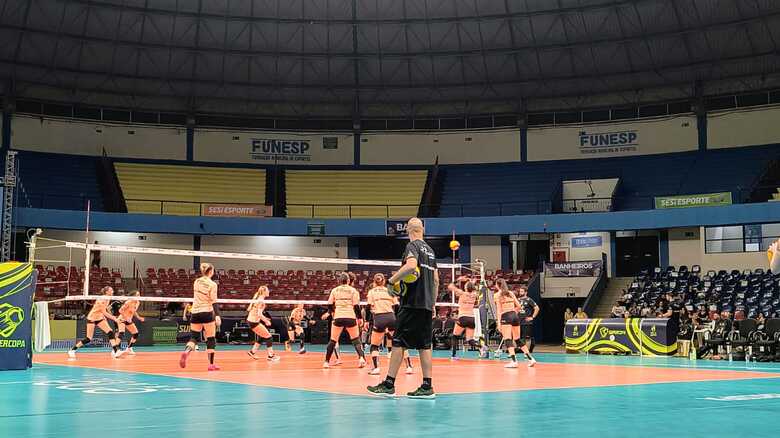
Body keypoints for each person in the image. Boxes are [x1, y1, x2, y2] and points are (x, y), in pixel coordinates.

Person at [367, 217, 439, 398]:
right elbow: (436, 280)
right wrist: (432, 303)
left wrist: (392, 281)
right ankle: (427, 386)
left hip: (412, 303)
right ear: (422, 230)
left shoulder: (412, 246)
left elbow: (411, 265)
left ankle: (389, 384)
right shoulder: (431, 252)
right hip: (426, 304)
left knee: (398, 342)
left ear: (408, 230)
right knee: (425, 345)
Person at [366, 274, 413, 375]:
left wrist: (366, 321)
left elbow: (368, 307)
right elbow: (397, 306)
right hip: (391, 317)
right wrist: (398, 320)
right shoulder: (390, 290)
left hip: (379, 318)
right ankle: (409, 366)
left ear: (374, 281)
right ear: (384, 281)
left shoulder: (371, 292)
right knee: (400, 343)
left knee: (374, 346)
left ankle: (376, 368)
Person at [179, 263, 221, 371]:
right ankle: (211, 364)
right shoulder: (213, 284)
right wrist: (217, 315)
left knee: (194, 337)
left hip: (195, 312)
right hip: (207, 312)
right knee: (211, 338)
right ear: (211, 272)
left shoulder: (196, 281)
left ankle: (186, 351)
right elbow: (214, 301)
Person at [323, 272, 366, 368]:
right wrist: (360, 318)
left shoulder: (335, 290)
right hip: (350, 317)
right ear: (348, 280)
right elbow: (356, 306)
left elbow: (329, 304)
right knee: (356, 340)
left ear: (339, 281)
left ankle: (326, 362)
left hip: (338, 317)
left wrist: (333, 312)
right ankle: (361, 359)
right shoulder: (353, 290)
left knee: (333, 340)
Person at [68, 286, 122, 358]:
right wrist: (114, 318)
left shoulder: (108, 298)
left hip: (99, 318)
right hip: (92, 318)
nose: (113, 291)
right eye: (111, 290)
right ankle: (72, 350)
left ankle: (115, 351)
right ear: (106, 292)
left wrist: (104, 318)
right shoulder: (102, 299)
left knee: (110, 332)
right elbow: (104, 312)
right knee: (88, 339)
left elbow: (103, 310)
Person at [494, 279, 536, 368]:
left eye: (496, 284)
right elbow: (519, 306)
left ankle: (514, 361)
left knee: (508, 339)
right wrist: (513, 313)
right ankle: (531, 359)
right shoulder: (510, 293)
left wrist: (498, 323)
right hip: (514, 316)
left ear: (498, 285)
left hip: (506, 316)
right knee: (517, 339)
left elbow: (499, 310)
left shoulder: (497, 295)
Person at [245, 286, 280, 362]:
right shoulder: (261, 301)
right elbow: (259, 314)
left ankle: (252, 352)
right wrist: (266, 321)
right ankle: (271, 356)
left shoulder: (257, 297)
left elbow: (254, 311)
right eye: (267, 290)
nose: (269, 291)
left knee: (262, 336)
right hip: (253, 322)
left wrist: (265, 318)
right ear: (264, 292)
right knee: (269, 337)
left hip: (251, 321)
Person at [447, 277, 479, 360]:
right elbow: (472, 288)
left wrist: (459, 280)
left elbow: (450, 286)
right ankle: (482, 347)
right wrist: (471, 282)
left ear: (466, 287)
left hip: (463, 317)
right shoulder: (475, 294)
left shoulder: (462, 293)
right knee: (470, 340)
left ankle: (453, 356)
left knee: (455, 336)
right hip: (471, 318)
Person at [116, 291, 145, 357]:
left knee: (136, 334)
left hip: (128, 320)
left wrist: (139, 317)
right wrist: (126, 318)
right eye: (137, 295)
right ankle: (115, 349)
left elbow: (134, 311)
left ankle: (129, 348)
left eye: (139, 295)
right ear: (133, 296)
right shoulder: (128, 302)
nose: (139, 296)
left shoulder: (138, 303)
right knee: (121, 333)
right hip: (122, 319)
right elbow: (120, 310)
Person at [516, 285, 540, 353]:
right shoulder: (517, 300)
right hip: (518, 321)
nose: (520, 293)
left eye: (522, 291)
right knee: (517, 337)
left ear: (526, 292)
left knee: (527, 337)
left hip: (526, 322)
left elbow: (537, 308)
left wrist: (532, 317)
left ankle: (527, 352)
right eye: (520, 291)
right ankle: (518, 350)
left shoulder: (529, 300)